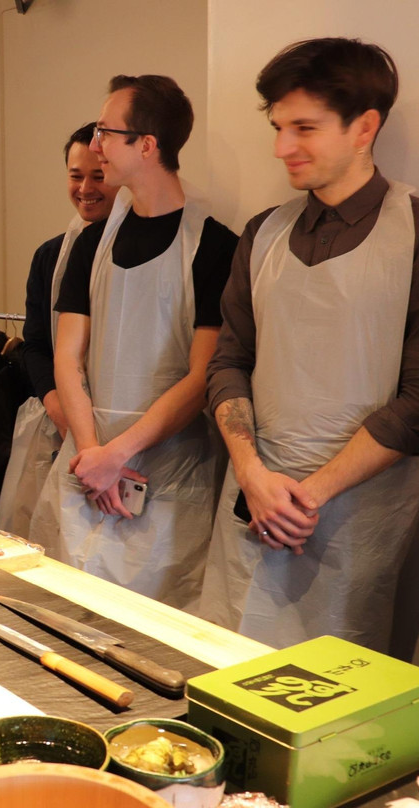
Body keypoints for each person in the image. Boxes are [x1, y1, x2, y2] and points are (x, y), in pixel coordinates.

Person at [201, 38, 419, 654]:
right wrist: (253, 475)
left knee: (347, 705)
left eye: (304, 127)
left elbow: (418, 398)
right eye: (277, 127)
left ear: (365, 127)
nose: (282, 148)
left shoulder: (414, 232)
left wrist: (307, 494)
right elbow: (229, 361)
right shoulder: (262, 234)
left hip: (359, 517)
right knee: (229, 672)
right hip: (253, 499)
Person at [29, 76, 237, 610]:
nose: (95, 145)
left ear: (147, 145)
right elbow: (67, 358)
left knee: (159, 633)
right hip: (86, 455)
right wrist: (92, 451)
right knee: (68, 621)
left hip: (170, 472)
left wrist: (118, 454)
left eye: (105, 132)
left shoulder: (215, 245)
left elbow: (201, 376)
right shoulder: (90, 243)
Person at [0, 123, 119, 538]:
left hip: (119, 428)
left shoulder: (136, 253)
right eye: (75, 175)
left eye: (98, 176)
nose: (86, 187)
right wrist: (56, 403)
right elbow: (34, 345)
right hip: (59, 422)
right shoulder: (51, 255)